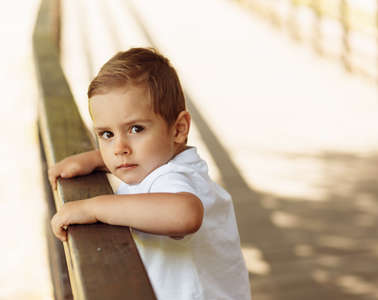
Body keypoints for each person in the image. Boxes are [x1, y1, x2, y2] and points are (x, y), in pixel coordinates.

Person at [48, 47, 251, 300]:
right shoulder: (164, 161)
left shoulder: (173, 178)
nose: (120, 148)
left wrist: (94, 207)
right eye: (107, 134)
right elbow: (135, 153)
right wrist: (95, 159)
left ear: (178, 129)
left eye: (135, 129)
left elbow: (185, 213)